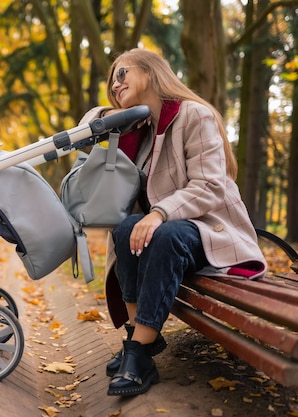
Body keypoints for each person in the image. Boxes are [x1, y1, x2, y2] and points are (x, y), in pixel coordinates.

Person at [77, 49, 267, 397]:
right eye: (111, 82)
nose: (115, 85)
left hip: (210, 229)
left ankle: (138, 354)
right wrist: (113, 115)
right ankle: (140, 339)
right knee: (124, 230)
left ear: (149, 73)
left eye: (122, 75)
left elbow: (210, 186)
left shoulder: (195, 115)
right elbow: (84, 128)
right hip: (166, 234)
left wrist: (159, 213)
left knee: (164, 233)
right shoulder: (141, 127)